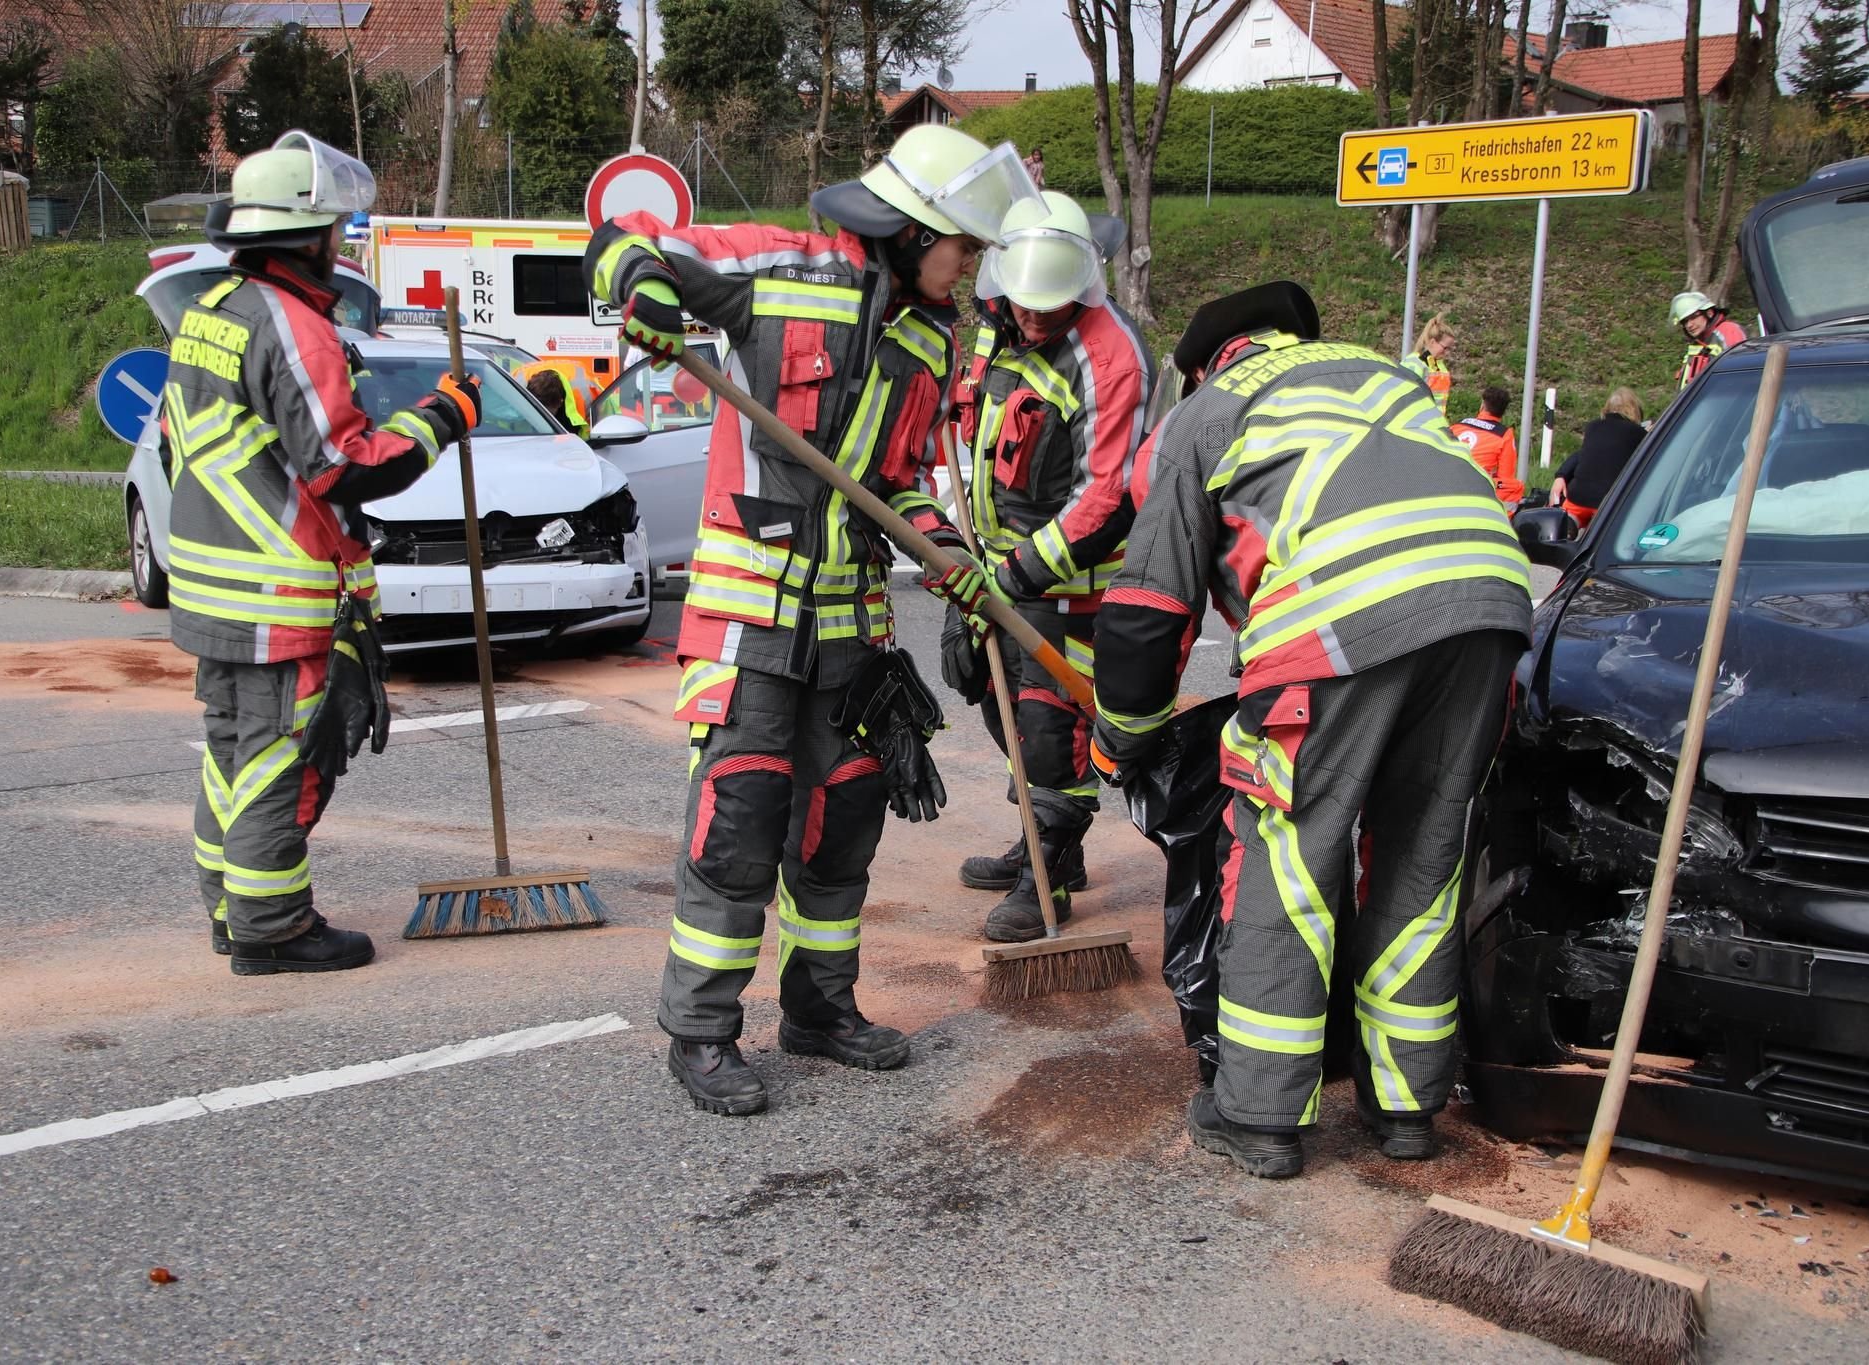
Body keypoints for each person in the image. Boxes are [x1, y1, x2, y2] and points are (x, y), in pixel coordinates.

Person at [585, 125, 1037, 1117]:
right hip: (749, 615)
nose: (968, 269)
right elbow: (623, 238)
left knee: (842, 819)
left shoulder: (930, 337)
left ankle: (819, 1009)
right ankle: (701, 1031)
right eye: (962, 246)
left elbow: (900, 482)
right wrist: (648, 295)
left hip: (854, 625)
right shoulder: (772, 265)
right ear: (916, 233)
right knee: (739, 821)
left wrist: (944, 550)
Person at [1090, 281, 1532, 1178]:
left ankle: (1256, 1111)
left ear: (1214, 357)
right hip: (1491, 602)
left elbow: (1149, 609)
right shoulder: (1386, 377)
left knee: (1290, 851)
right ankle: (1408, 1106)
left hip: (1341, 618)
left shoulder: (1207, 412)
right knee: (1423, 853)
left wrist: (1118, 740)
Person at [166, 131, 479, 976]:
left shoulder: (210, 314)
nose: (341, 246)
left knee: (233, 752)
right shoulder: (292, 325)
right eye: (336, 231)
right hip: (275, 591)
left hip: (211, 586)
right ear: (305, 239)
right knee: (278, 755)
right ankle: (274, 927)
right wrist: (444, 415)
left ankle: (233, 909)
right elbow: (346, 464)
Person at [944, 192, 1151, 943]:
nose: (1034, 318)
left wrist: (1020, 577)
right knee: (988, 691)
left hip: (1073, 587)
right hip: (996, 567)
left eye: (1050, 305)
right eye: (1024, 303)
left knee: (1049, 724)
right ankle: (1043, 835)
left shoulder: (1110, 355)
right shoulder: (995, 328)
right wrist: (970, 571)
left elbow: (1106, 495)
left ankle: (1049, 876)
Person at [1551, 386, 1646, 529]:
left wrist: (1561, 475)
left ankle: (1571, 525)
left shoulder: (1592, 427)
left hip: (1577, 497)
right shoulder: (1638, 433)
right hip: (1608, 503)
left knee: (1568, 523)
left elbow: (1581, 454)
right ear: (1635, 410)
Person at [1450, 384, 1524, 509]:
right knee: (1514, 486)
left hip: (1447, 477)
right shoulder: (1504, 435)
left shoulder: (1458, 425)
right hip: (1476, 486)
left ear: (1482, 405)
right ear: (1503, 411)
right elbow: (1506, 476)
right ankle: (1500, 520)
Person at [1671, 290, 1747, 390]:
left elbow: (1741, 374)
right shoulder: (1698, 342)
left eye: (1693, 317)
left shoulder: (1728, 331)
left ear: (1709, 313)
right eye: (1685, 321)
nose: (1689, 325)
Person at [1401, 315, 1456, 419]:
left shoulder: (1439, 365)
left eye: (1450, 349)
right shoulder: (1414, 363)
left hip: (1434, 422)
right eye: (1445, 348)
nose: (1447, 353)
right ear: (1432, 342)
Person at [527, 366, 591, 440]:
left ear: (560, 403)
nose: (543, 417)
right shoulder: (516, 389)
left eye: (548, 413)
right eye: (537, 410)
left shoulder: (587, 397)